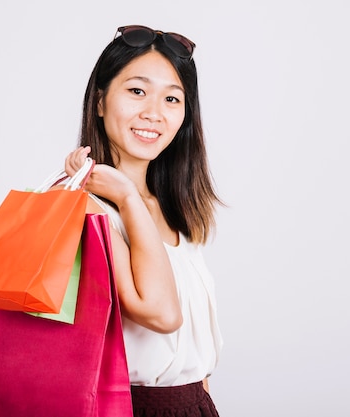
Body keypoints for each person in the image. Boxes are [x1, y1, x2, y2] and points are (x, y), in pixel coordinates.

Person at [64, 25, 224, 417]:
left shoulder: (179, 208)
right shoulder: (86, 208)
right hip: (129, 409)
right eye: (137, 91)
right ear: (100, 101)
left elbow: (192, 347)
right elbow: (161, 314)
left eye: (172, 98)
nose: (153, 113)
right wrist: (125, 196)